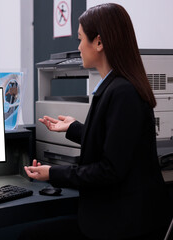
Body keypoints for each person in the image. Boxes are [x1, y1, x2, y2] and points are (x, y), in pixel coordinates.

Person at [22, 3, 172, 240]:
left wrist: (53, 173)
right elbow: (114, 141)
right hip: (120, 218)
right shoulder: (116, 87)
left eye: (81, 39)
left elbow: (109, 170)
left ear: (99, 43)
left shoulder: (122, 92)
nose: (79, 47)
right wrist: (73, 128)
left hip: (122, 225)